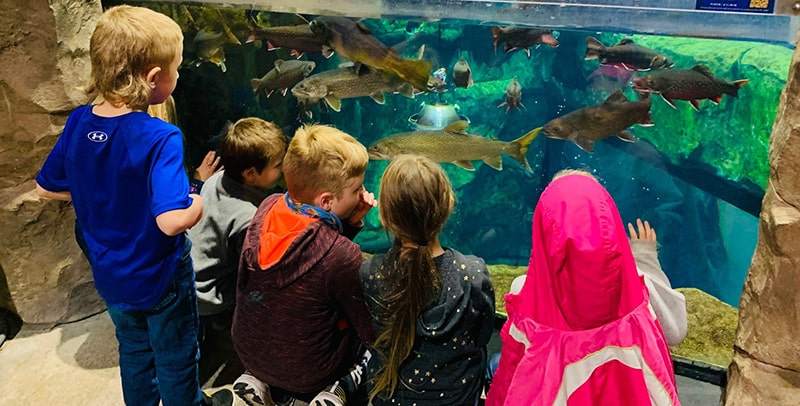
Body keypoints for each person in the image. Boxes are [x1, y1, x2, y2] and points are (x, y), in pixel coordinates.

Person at [34, 6, 231, 406]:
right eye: (177, 69)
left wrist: (100, 189)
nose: (178, 76)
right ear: (155, 77)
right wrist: (197, 199)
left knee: (135, 352)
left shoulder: (77, 122)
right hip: (159, 278)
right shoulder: (161, 137)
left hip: (110, 276)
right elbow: (172, 221)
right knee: (176, 357)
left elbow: (47, 187)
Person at [485, 169, 682, 406]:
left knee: (494, 364)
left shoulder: (524, 292)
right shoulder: (641, 287)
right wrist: (646, 260)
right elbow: (675, 331)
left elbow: (510, 370)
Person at [231, 124, 377, 406]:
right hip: (308, 372)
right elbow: (367, 328)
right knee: (374, 340)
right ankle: (339, 387)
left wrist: (348, 223)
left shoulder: (268, 206)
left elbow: (309, 249)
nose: (362, 195)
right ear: (327, 200)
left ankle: (259, 376)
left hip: (248, 350)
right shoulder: (343, 255)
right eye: (357, 189)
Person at [360, 154, 496, 405]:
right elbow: (483, 335)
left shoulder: (370, 272)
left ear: (385, 218)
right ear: (449, 205)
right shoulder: (473, 274)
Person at [188, 117, 287, 342]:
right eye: (277, 165)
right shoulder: (248, 217)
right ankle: (229, 327)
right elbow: (251, 272)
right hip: (210, 296)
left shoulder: (216, 179)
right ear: (251, 174)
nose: (282, 169)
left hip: (189, 281)